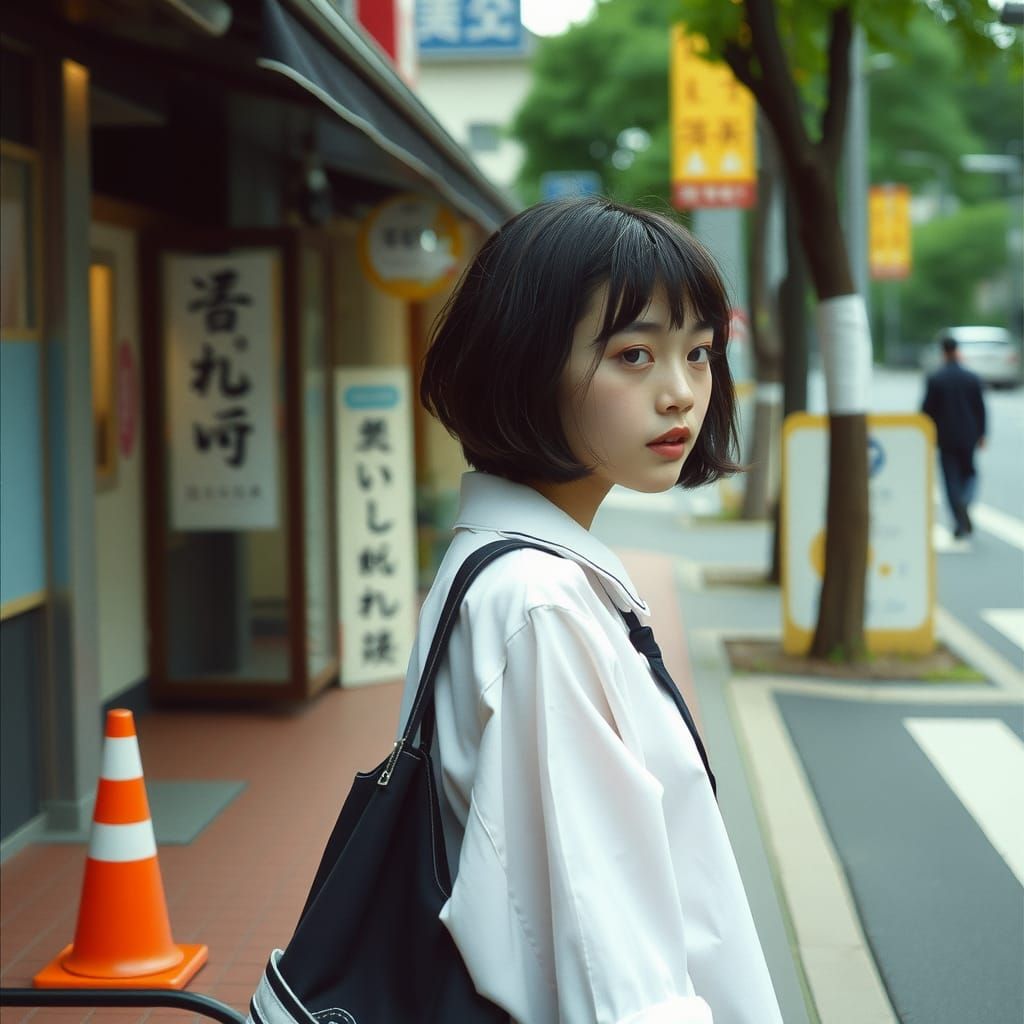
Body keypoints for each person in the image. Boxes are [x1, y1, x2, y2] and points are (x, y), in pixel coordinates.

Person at [400, 196, 783, 1024]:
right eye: (635, 354)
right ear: (523, 363)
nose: (682, 393)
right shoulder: (541, 605)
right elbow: (608, 953)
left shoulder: (497, 568)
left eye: (700, 354)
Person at [922, 336, 987, 538]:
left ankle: (959, 516)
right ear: (957, 351)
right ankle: (966, 501)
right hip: (969, 435)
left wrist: (927, 435)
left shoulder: (936, 379)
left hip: (946, 437)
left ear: (943, 352)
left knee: (951, 479)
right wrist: (983, 433)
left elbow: (926, 411)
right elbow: (980, 409)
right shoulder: (971, 377)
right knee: (970, 474)